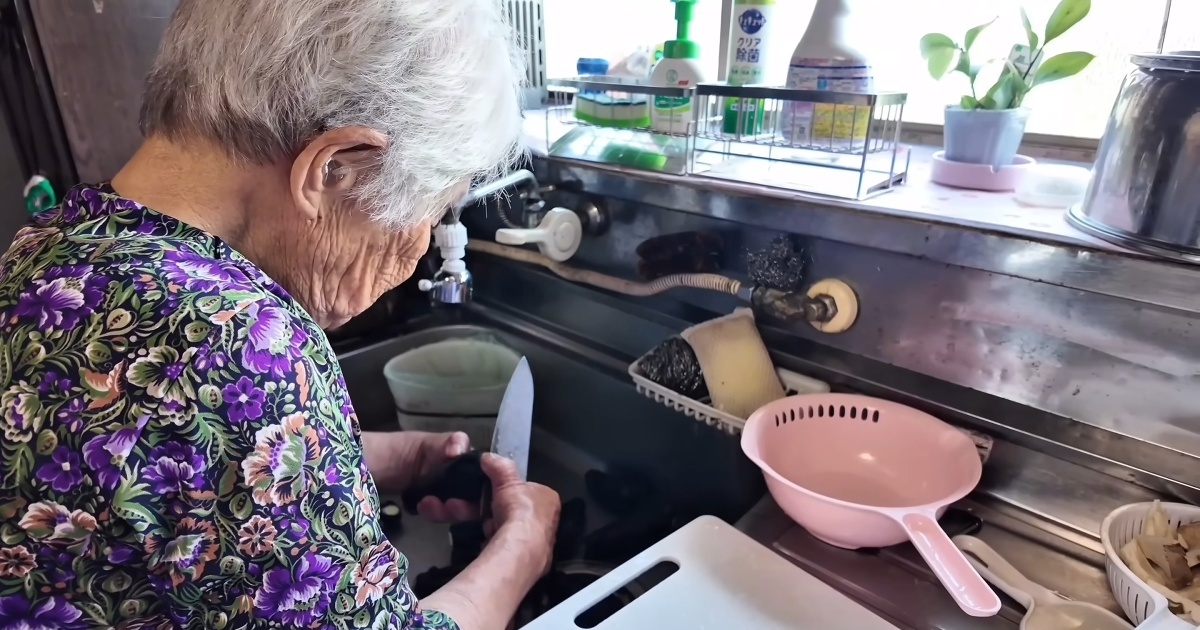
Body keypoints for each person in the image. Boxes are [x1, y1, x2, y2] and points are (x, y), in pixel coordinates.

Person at [0, 0, 560, 628]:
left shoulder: (54, 246)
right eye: (428, 211)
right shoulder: (236, 342)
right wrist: (522, 549)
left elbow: (143, 460)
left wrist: (366, 455)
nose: (419, 249)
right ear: (332, 169)